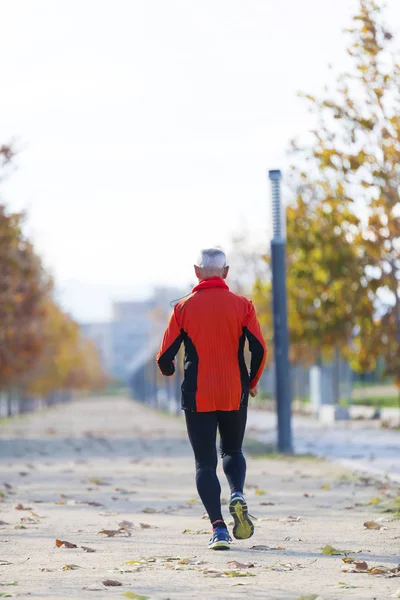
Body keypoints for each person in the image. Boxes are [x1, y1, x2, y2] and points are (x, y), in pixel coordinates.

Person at [156, 247, 267, 550]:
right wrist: (252, 381)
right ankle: (237, 493)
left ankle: (218, 529)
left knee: (205, 463)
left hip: (198, 394)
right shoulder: (243, 305)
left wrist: (170, 369)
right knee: (232, 449)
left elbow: (164, 358)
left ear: (196, 272)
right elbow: (259, 349)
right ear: (226, 272)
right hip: (235, 390)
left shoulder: (182, 309)